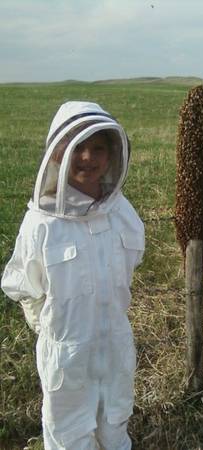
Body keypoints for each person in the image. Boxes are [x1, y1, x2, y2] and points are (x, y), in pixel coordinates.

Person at [1, 101, 145, 450]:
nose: (88, 158)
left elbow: (131, 262)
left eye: (98, 148)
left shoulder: (120, 212)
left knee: (115, 419)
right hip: (66, 353)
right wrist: (54, 329)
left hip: (114, 346)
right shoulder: (42, 222)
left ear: (112, 155)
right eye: (78, 147)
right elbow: (24, 286)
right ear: (58, 153)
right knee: (68, 431)